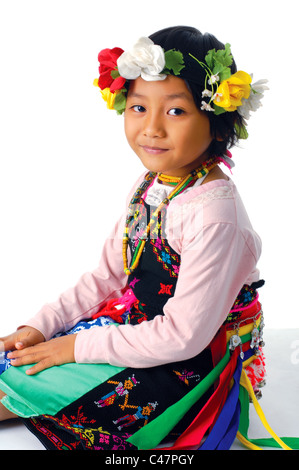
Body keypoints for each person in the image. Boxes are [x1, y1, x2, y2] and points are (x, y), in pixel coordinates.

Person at [0, 25, 276, 450]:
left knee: (50, 385)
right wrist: (43, 325)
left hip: (193, 357)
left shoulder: (214, 216)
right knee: (19, 359)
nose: (151, 129)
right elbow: (107, 275)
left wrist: (76, 347)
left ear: (219, 123)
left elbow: (183, 335)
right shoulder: (153, 184)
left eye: (176, 111)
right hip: (142, 324)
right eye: (138, 107)